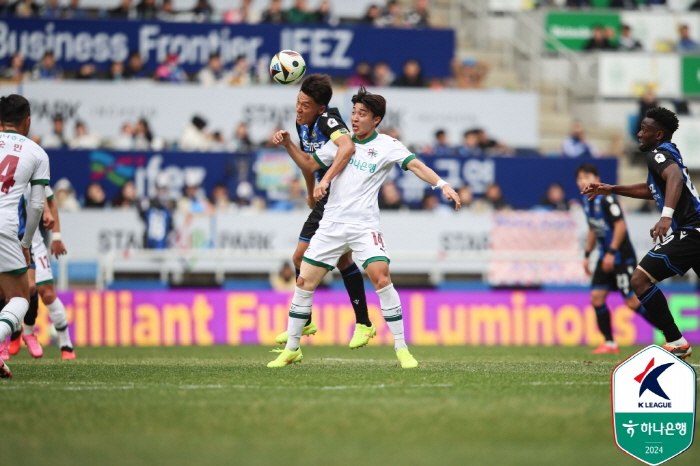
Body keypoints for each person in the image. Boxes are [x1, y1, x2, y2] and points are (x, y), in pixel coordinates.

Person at [268, 86, 461, 368]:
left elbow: (416, 165)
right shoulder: (338, 143)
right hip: (331, 223)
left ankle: (402, 348)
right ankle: (293, 348)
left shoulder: (386, 145)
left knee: (381, 278)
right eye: (354, 112)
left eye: (362, 114)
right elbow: (309, 164)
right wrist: (287, 144)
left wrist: (442, 185)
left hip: (363, 225)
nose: (355, 118)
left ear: (376, 119)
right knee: (303, 281)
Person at [582, 107, 695, 360]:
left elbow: (674, 179)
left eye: (644, 129)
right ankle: (676, 341)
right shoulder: (668, 153)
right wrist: (610, 188)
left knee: (640, 280)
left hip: (692, 231)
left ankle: (676, 341)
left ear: (658, 134)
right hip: (694, 230)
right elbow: (652, 188)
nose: (639, 133)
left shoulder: (657, 154)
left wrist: (666, 216)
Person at [272, 74, 375, 350]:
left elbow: (347, 146)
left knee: (300, 256)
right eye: (298, 102)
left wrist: (326, 180)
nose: (299, 109)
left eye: (305, 105)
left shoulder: (329, 120)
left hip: (340, 196)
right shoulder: (301, 122)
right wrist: (309, 190)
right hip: (326, 196)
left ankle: (307, 321)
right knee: (341, 262)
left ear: (320, 108)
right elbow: (308, 164)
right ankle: (361, 322)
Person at [576, 164, 657, 353]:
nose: (583, 181)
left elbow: (620, 226)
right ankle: (610, 343)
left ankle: (670, 334)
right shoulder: (586, 202)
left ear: (596, 177)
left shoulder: (606, 199)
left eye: (587, 176)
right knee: (596, 297)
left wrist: (612, 253)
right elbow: (593, 229)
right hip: (605, 258)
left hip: (620, 257)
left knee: (632, 302)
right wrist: (587, 255)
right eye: (579, 178)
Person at [0, 94, 50, 378]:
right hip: (5, 226)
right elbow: (36, 205)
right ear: (27, 121)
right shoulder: (36, 153)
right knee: (20, 297)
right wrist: (27, 243)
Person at [2, 184, 75, 360]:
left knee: (45, 292)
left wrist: (56, 237)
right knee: (7, 294)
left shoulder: (31, 174)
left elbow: (50, 202)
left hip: (33, 243)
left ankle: (65, 344)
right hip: (6, 241)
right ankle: (12, 334)